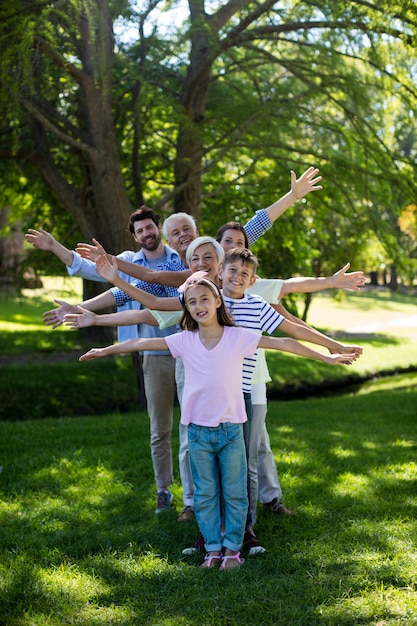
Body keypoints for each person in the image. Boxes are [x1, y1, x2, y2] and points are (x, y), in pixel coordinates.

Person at [77, 273, 359, 569]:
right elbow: (138, 343)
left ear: (217, 301)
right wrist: (105, 349)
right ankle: (212, 549)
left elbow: (286, 343)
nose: (199, 306)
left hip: (231, 432)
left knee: (235, 493)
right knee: (206, 493)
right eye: (192, 302)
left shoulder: (238, 337)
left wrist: (328, 357)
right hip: (198, 433)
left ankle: (233, 551)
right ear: (186, 309)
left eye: (204, 300)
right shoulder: (184, 340)